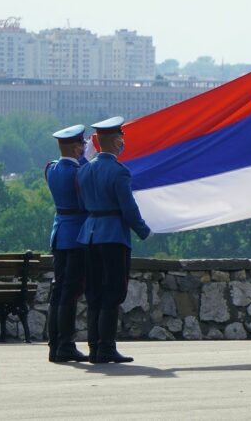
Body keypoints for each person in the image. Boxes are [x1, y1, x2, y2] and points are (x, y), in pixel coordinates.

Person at [77, 116, 151, 363]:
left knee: (94, 292)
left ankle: (94, 347)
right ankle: (106, 346)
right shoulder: (119, 172)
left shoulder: (84, 169)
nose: (122, 143)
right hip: (113, 236)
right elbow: (128, 208)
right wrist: (143, 230)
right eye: (121, 139)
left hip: (89, 234)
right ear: (116, 141)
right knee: (113, 291)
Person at [44, 124, 90, 363]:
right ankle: (65, 343)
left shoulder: (51, 169)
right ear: (75, 148)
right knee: (70, 293)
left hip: (59, 233)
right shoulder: (79, 172)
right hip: (76, 236)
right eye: (82, 145)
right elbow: (85, 200)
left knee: (59, 291)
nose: (84, 148)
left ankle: (55, 344)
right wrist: (85, 161)